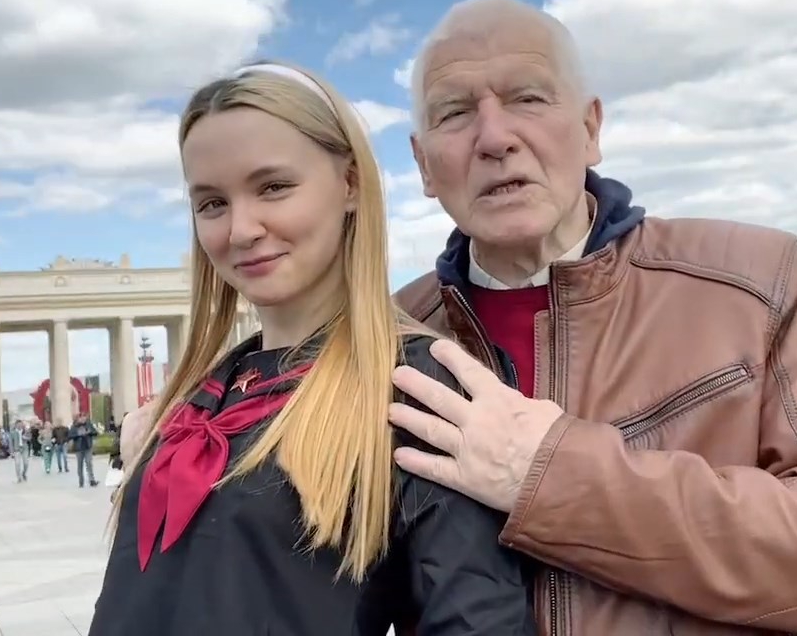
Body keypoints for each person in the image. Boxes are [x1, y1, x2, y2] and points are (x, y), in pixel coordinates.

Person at [389, 0, 797, 634]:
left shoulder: (757, 283)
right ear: (422, 163)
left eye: (528, 98)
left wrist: (553, 477)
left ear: (591, 129)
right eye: (455, 113)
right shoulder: (385, 338)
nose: (494, 137)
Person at [91, 62, 534, 636]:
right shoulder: (204, 393)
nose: (241, 229)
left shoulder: (413, 386)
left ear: (349, 184)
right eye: (212, 203)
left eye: (273, 187)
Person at [68, 414, 99, 488]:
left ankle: (92, 480)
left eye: (84, 417)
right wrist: (78, 434)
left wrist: (89, 432)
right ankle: (81, 481)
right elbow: (70, 436)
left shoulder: (88, 425)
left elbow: (95, 433)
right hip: (79, 448)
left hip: (88, 447)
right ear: (78, 419)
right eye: (81, 418)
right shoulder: (74, 426)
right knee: (80, 465)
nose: (83, 419)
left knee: (89, 463)